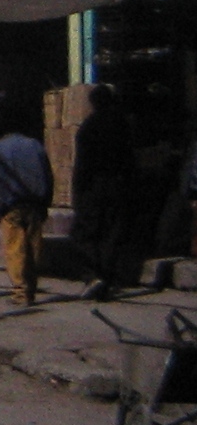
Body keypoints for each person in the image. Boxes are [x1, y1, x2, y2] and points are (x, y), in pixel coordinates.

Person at [0, 106, 54, 306]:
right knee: (33, 248)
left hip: (10, 206)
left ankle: (20, 292)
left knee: (15, 249)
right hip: (35, 205)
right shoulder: (36, 145)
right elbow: (48, 176)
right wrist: (46, 203)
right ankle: (31, 287)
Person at [74, 84, 136, 301]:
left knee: (87, 232)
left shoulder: (89, 127)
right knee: (112, 232)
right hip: (118, 184)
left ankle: (93, 275)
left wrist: (78, 192)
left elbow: (82, 164)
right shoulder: (122, 125)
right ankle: (107, 278)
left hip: (94, 186)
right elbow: (129, 158)